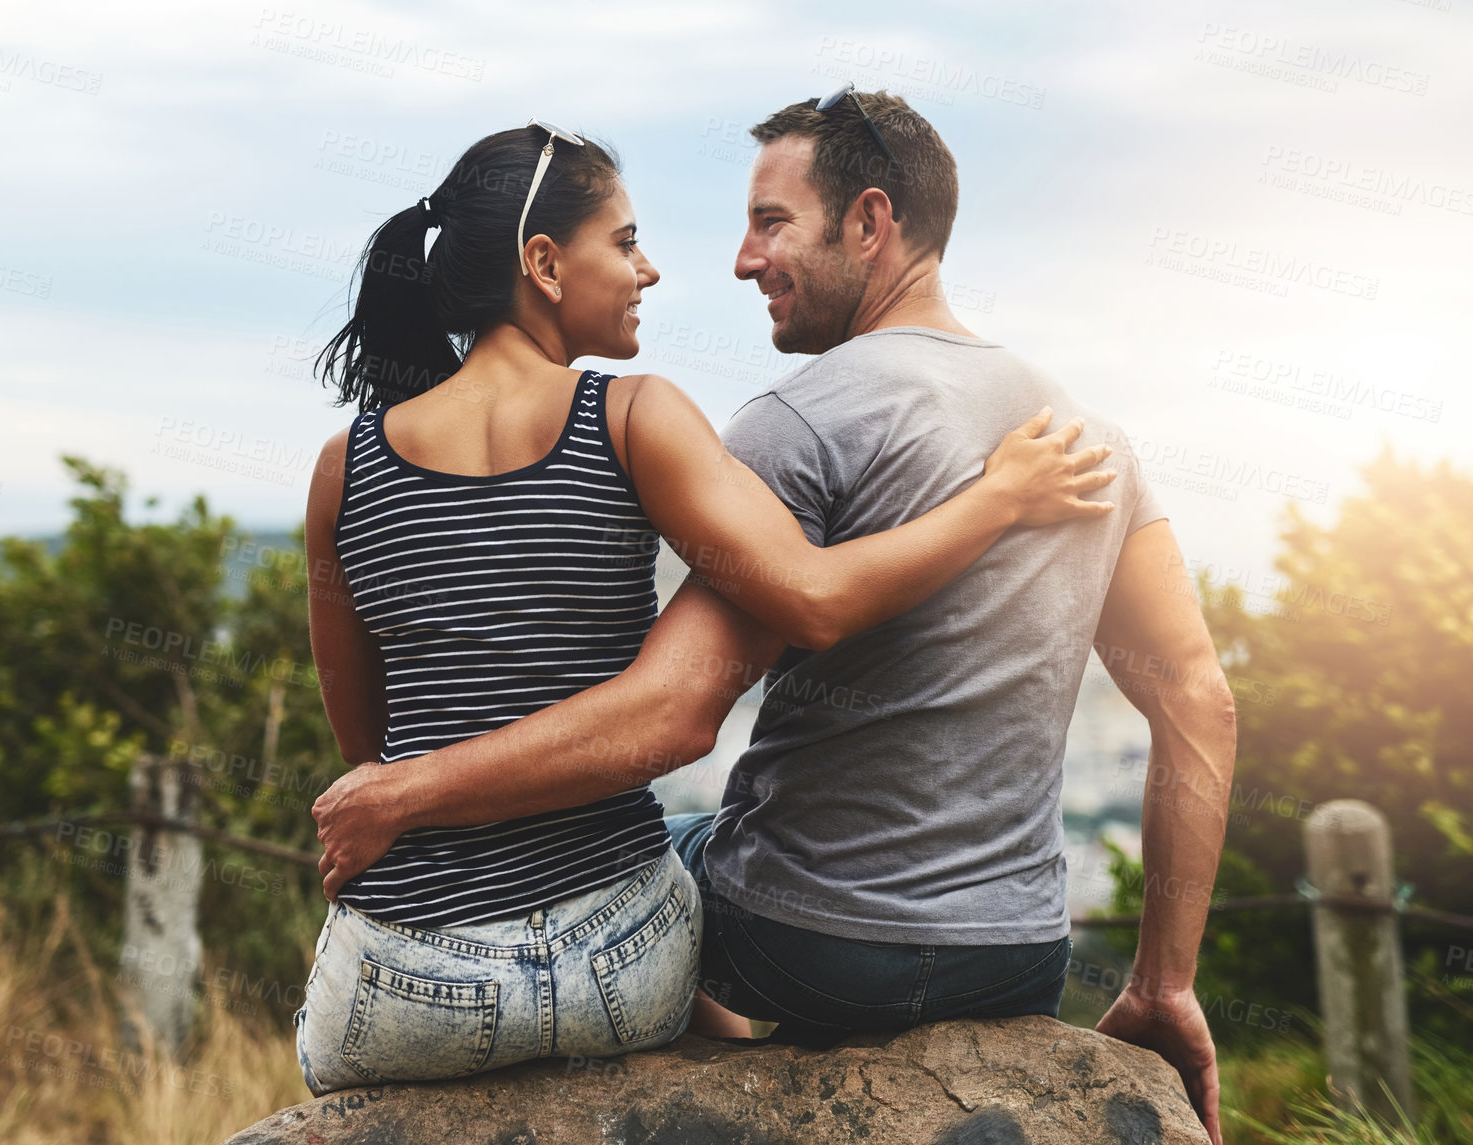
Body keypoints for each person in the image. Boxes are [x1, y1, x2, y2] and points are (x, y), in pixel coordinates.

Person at [313, 93, 1238, 1144]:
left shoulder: (794, 424)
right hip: (1018, 951)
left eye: (770, 223)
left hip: (808, 945)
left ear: (870, 222)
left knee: (629, 853)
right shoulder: (1088, 436)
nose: (742, 261)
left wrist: (403, 791)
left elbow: (677, 709)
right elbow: (1198, 699)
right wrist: (1166, 979)